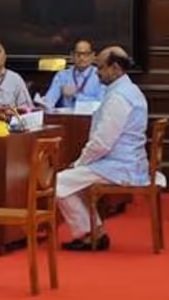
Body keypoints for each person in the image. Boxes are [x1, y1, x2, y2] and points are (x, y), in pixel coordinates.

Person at [56, 46, 162, 251]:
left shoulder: (119, 97)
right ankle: (94, 231)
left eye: (100, 67)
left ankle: (90, 234)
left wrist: (79, 163)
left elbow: (102, 143)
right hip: (126, 162)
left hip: (119, 166)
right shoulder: (129, 90)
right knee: (73, 182)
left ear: (115, 68)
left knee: (59, 182)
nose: (97, 72)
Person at [43, 39, 105, 109]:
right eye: (78, 54)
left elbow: (101, 102)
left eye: (86, 54)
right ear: (72, 55)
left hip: (92, 114)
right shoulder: (62, 75)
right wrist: (43, 105)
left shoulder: (101, 75)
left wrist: (76, 95)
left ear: (92, 55)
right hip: (66, 115)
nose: (81, 58)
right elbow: (49, 100)